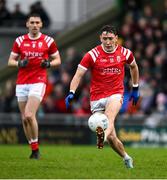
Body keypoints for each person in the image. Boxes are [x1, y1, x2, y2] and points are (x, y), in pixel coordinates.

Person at [65, 25, 140, 168]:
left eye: (110, 38)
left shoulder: (125, 53)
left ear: (116, 38)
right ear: (100, 38)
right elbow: (78, 74)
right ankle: (126, 157)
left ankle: (101, 138)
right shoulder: (91, 55)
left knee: (108, 119)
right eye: (104, 38)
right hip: (96, 98)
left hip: (116, 93)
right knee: (112, 137)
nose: (107, 42)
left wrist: (135, 87)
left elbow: (134, 67)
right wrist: (71, 92)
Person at [8, 13, 61, 159]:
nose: (35, 25)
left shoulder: (48, 41)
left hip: (38, 81)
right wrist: (19, 63)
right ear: (27, 24)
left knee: (30, 114)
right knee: (24, 118)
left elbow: (57, 59)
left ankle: (36, 149)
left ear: (41, 25)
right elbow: (10, 61)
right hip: (22, 82)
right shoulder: (19, 41)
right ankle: (34, 149)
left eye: (37, 22)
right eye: (32, 22)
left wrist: (49, 64)